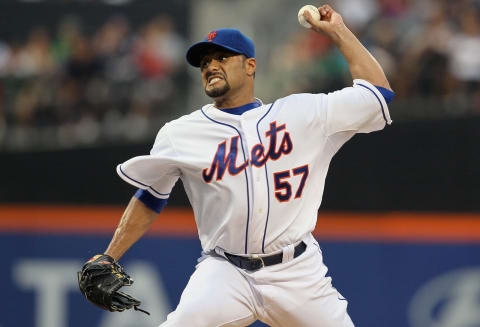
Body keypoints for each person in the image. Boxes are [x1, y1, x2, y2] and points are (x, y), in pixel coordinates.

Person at [84, 4, 393, 327]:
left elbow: (378, 94)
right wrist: (110, 255)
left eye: (222, 57)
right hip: (225, 273)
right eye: (204, 62)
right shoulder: (180, 133)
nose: (211, 66)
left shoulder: (302, 114)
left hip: (297, 273)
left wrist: (338, 32)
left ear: (250, 66)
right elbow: (149, 196)